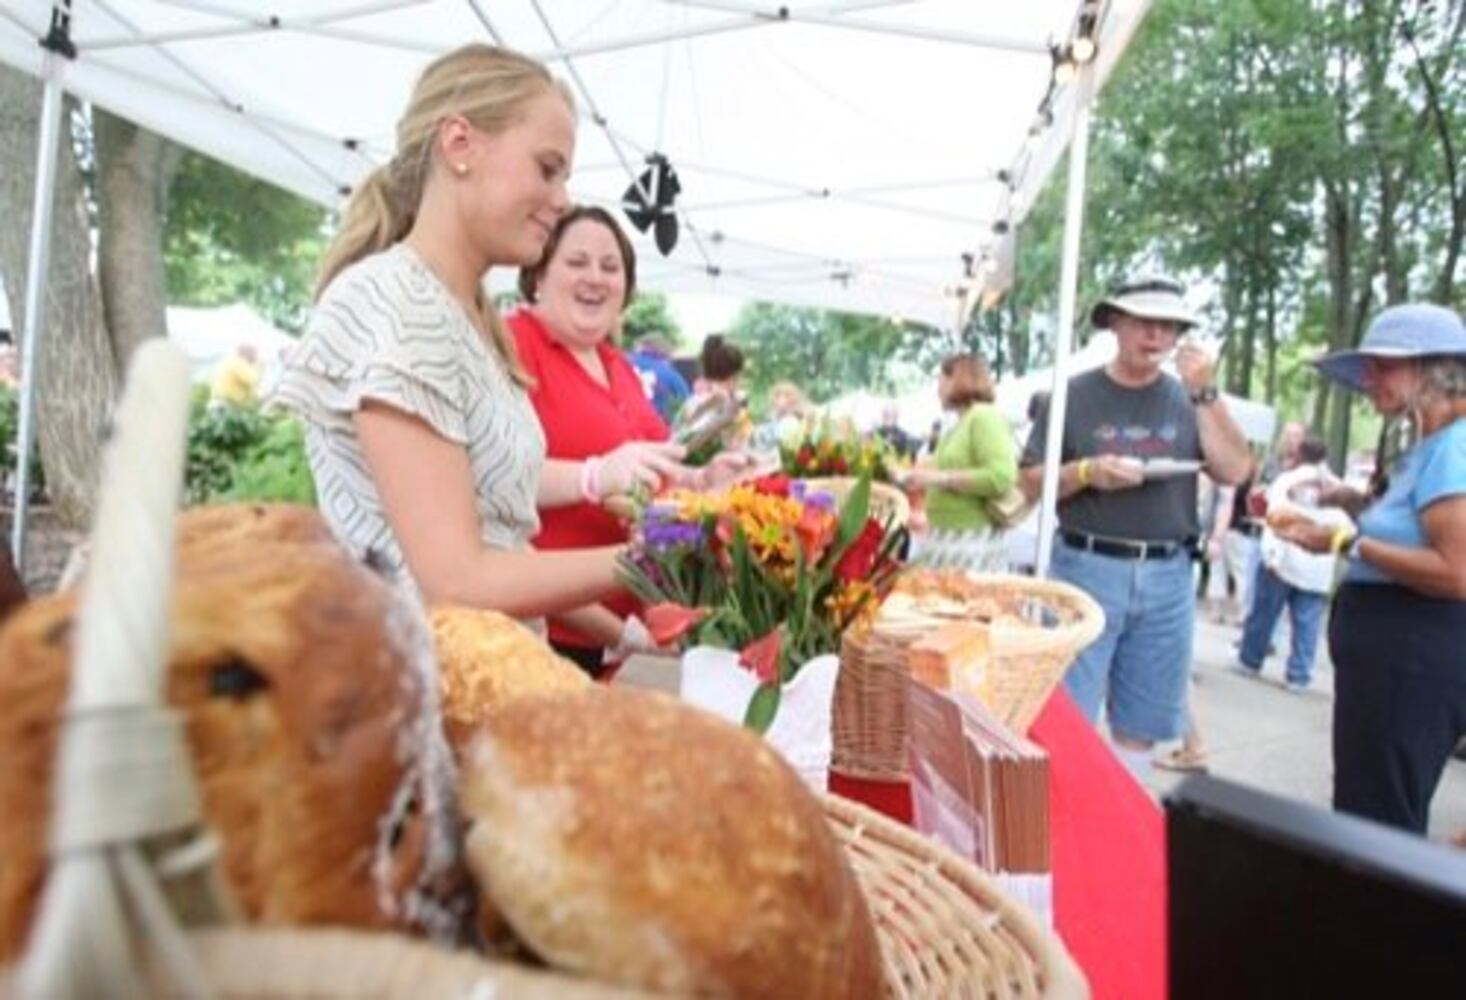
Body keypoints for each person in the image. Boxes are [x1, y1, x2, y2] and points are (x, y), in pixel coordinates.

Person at [273, 44, 685, 623]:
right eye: (547, 168)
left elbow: (505, 546)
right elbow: (458, 581)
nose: (562, 198)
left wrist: (622, 632)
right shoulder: (398, 303)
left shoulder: (466, 317)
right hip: (422, 695)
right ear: (460, 144)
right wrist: (658, 557)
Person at [1019, 276, 1253, 777]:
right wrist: (1086, 472)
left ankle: (1119, 823)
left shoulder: (1192, 401)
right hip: (1084, 567)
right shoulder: (1074, 395)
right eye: (1144, 322)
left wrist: (1206, 393)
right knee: (1068, 716)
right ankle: (1063, 831)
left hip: (1168, 574)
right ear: (1115, 324)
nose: (1155, 335)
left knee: (1142, 723)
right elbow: (1028, 482)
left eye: (1167, 326)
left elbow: (1235, 471)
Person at [1273, 303, 1466, 834]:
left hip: (1414, 659)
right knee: (1371, 809)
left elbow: (1456, 570)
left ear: (1434, 370)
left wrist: (1343, 541)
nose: (1368, 379)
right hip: (1395, 659)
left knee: (1381, 822)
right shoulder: (1429, 447)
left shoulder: (1453, 447)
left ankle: (1380, 915)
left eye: (1383, 366)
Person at [1237, 434, 1347, 692]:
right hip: (1318, 566)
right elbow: (1343, 525)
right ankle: (1299, 674)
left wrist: (1271, 555)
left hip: (1284, 559)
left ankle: (1250, 660)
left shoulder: (1286, 482)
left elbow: (1274, 518)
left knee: (1264, 614)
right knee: (1307, 622)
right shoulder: (1338, 487)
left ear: (1298, 454)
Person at [901, 354, 1017, 572]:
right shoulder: (961, 422)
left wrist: (939, 479)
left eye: (941, 381)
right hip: (949, 538)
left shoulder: (984, 417)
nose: (938, 389)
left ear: (959, 380)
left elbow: (1002, 476)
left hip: (971, 542)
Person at [626, 333, 690, 422]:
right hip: (658, 427)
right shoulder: (673, 376)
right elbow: (686, 405)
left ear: (640, 347)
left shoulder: (620, 364)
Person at [209, 343, 262, 408]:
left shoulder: (229, 360)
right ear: (248, 353)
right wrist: (258, 366)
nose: (256, 357)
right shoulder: (239, 363)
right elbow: (253, 380)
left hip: (217, 402)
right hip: (227, 404)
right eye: (254, 354)